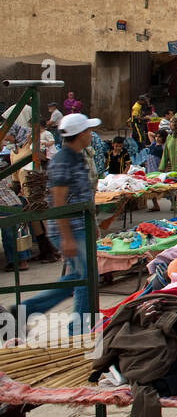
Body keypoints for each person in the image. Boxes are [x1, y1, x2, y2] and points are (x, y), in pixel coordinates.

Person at [23, 112, 100, 334]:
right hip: (70, 229)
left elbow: (83, 196)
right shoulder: (63, 160)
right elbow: (58, 201)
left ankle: (23, 311)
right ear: (80, 134)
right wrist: (66, 238)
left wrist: (91, 224)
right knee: (85, 279)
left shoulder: (77, 156)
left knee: (77, 279)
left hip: (80, 227)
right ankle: (78, 331)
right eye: (88, 130)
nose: (91, 134)